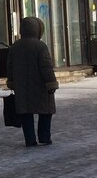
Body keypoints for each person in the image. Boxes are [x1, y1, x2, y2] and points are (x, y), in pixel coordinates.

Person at [6, 16, 59, 147]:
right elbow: (46, 67)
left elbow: (10, 66)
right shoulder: (40, 46)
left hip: (22, 87)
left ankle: (30, 139)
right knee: (46, 111)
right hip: (40, 86)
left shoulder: (14, 47)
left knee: (25, 113)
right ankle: (44, 137)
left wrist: (11, 81)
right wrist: (51, 82)